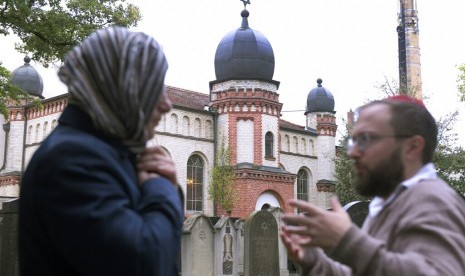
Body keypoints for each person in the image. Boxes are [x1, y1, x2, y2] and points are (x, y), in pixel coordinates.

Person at [19, 27, 184, 275]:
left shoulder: (105, 151)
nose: (166, 104)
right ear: (121, 89)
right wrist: (162, 188)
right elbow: (144, 263)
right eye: (154, 88)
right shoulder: (70, 160)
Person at [281, 95, 465, 275]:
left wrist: (347, 241)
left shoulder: (433, 201)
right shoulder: (389, 204)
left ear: (412, 147)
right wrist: (315, 263)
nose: (352, 153)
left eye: (366, 139)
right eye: (353, 141)